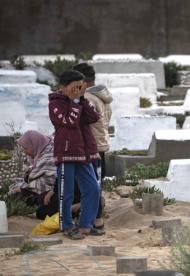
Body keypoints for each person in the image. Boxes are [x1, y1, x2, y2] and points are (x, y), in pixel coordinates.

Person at [48, 69, 104, 239]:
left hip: (83, 152)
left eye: (80, 86)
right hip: (66, 153)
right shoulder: (55, 104)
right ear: (64, 87)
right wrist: (74, 101)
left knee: (93, 189)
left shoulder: (80, 100)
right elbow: (69, 121)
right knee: (67, 192)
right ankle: (66, 226)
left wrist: (81, 99)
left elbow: (94, 117)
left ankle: (86, 224)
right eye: (74, 86)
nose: (77, 89)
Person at [72, 63, 113, 182]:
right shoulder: (102, 97)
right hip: (101, 143)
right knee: (98, 181)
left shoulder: (86, 98)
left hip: (89, 146)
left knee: (90, 183)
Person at [9, 131, 56, 211]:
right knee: (18, 191)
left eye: (25, 148)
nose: (24, 151)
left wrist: (23, 189)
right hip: (41, 191)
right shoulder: (40, 153)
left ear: (34, 145)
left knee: (23, 196)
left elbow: (47, 182)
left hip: (51, 192)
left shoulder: (49, 157)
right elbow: (35, 176)